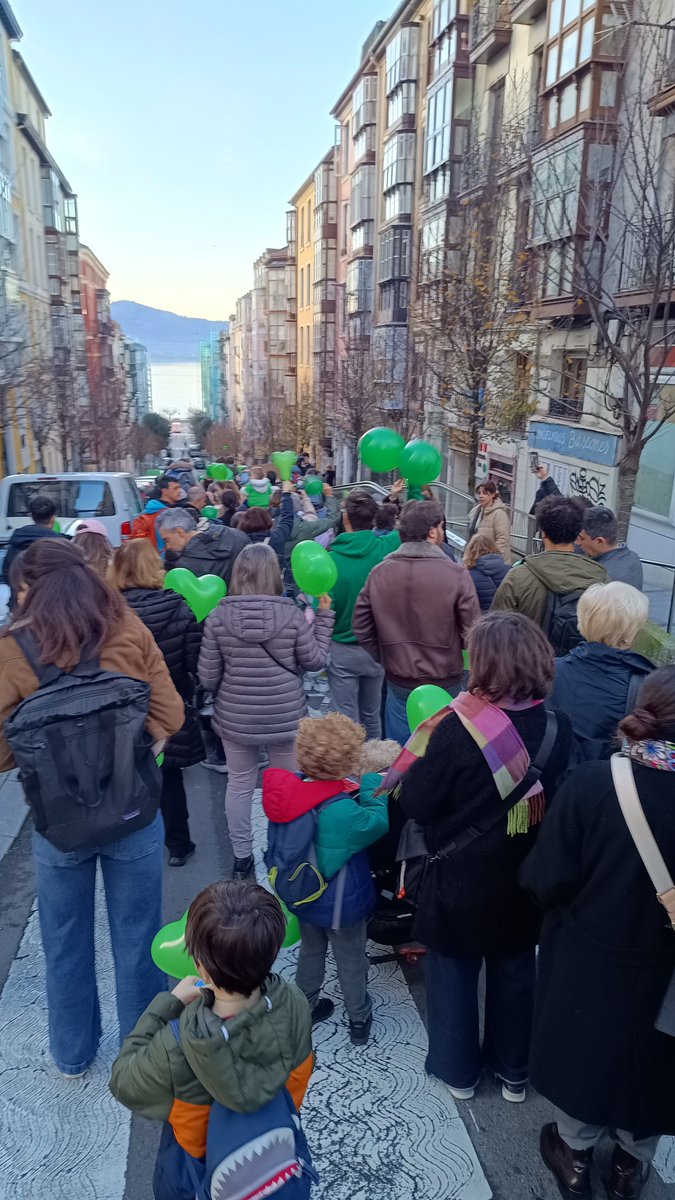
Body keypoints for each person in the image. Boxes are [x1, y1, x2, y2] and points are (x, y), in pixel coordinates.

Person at [0, 539, 183, 1077]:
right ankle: (142, 1051)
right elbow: (170, 715)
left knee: (63, 939)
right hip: (134, 814)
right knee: (138, 935)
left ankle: (73, 1051)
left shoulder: (12, 649)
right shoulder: (126, 628)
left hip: (58, 823)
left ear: (31, 589)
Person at [395, 612, 571, 1103]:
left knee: (452, 973)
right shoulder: (557, 726)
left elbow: (417, 803)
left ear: (483, 664)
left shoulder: (455, 730)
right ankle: (515, 1070)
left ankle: (459, 1072)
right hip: (523, 876)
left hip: (458, 876)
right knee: (516, 972)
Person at [521, 668, 675, 1200]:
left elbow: (545, 879)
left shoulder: (593, 784)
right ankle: (632, 1166)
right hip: (668, 969)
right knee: (658, 1068)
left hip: (593, 955)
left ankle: (575, 1156)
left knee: (585, 1055)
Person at [110, 880, 314, 1200]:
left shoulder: (176, 1041)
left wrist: (167, 1006)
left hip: (194, 1167)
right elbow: (300, 1074)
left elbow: (125, 1083)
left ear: (201, 967)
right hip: (274, 1138)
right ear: (272, 952)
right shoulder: (295, 1003)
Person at [198, 543, 334, 879]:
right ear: (275, 574)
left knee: (240, 784)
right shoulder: (289, 614)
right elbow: (315, 661)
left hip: (236, 717)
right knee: (286, 783)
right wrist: (325, 616)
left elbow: (208, 677)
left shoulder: (218, 616)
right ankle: (285, 849)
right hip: (285, 715)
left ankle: (242, 857)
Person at [263, 714, 389, 1046]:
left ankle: (306, 1005)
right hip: (340, 903)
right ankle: (359, 1016)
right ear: (349, 762)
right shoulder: (342, 811)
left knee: (311, 951)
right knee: (351, 958)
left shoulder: (289, 793)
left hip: (302, 895)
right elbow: (376, 822)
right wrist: (373, 781)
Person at [353, 500, 480, 743]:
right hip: (445, 676)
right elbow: (473, 631)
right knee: (442, 746)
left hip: (399, 675)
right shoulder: (456, 575)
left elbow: (360, 626)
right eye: (441, 527)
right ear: (433, 531)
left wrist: (385, 655)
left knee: (401, 751)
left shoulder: (380, 572)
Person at [110, 540, 204, 866]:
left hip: (123, 711)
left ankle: (133, 844)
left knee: (129, 777)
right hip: (169, 705)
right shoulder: (178, 606)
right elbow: (195, 662)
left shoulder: (108, 612)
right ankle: (179, 846)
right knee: (171, 779)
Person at [551, 581, 653, 767]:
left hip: (549, 782)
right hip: (608, 786)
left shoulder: (549, 670)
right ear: (631, 629)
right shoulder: (647, 685)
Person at [492, 495, 608, 651]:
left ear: (543, 533)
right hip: (578, 668)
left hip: (527, 667)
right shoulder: (601, 580)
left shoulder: (518, 577)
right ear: (577, 534)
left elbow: (496, 633)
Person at [327, 491, 399, 737]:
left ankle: (347, 772)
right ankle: (374, 771)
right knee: (371, 714)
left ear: (345, 518)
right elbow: (413, 522)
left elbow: (325, 609)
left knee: (344, 718)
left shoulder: (329, 561)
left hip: (342, 649)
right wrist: (408, 492)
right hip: (377, 648)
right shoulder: (386, 549)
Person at [156, 507, 249, 587]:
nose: (167, 547)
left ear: (179, 532)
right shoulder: (237, 535)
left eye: (166, 540)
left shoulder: (184, 567)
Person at [2, 495, 66, 597]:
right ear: (53, 518)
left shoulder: (17, 541)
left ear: (31, 516)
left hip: (20, 605)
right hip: (52, 605)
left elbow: (7, 573)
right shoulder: (62, 546)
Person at [577, 505, 644, 590]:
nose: (578, 543)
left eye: (582, 538)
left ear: (599, 541)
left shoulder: (600, 576)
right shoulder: (633, 558)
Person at [236, 481, 295, 559]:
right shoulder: (276, 538)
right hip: (274, 571)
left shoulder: (237, 542)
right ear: (268, 520)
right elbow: (287, 519)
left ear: (243, 523)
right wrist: (286, 494)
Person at [132, 475, 183, 552]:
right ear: (164, 491)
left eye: (179, 487)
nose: (179, 491)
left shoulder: (150, 511)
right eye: (175, 488)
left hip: (151, 559)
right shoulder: (168, 514)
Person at [467, 480, 512, 563]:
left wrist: (491, 558)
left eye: (485, 493)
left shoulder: (499, 514)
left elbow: (503, 540)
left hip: (494, 562)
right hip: (478, 559)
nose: (481, 496)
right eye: (479, 493)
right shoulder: (477, 511)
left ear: (493, 494)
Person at [463, 534, 510, 611]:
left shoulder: (468, 576)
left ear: (470, 551)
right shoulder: (510, 571)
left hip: (482, 620)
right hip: (506, 619)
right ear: (494, 547)